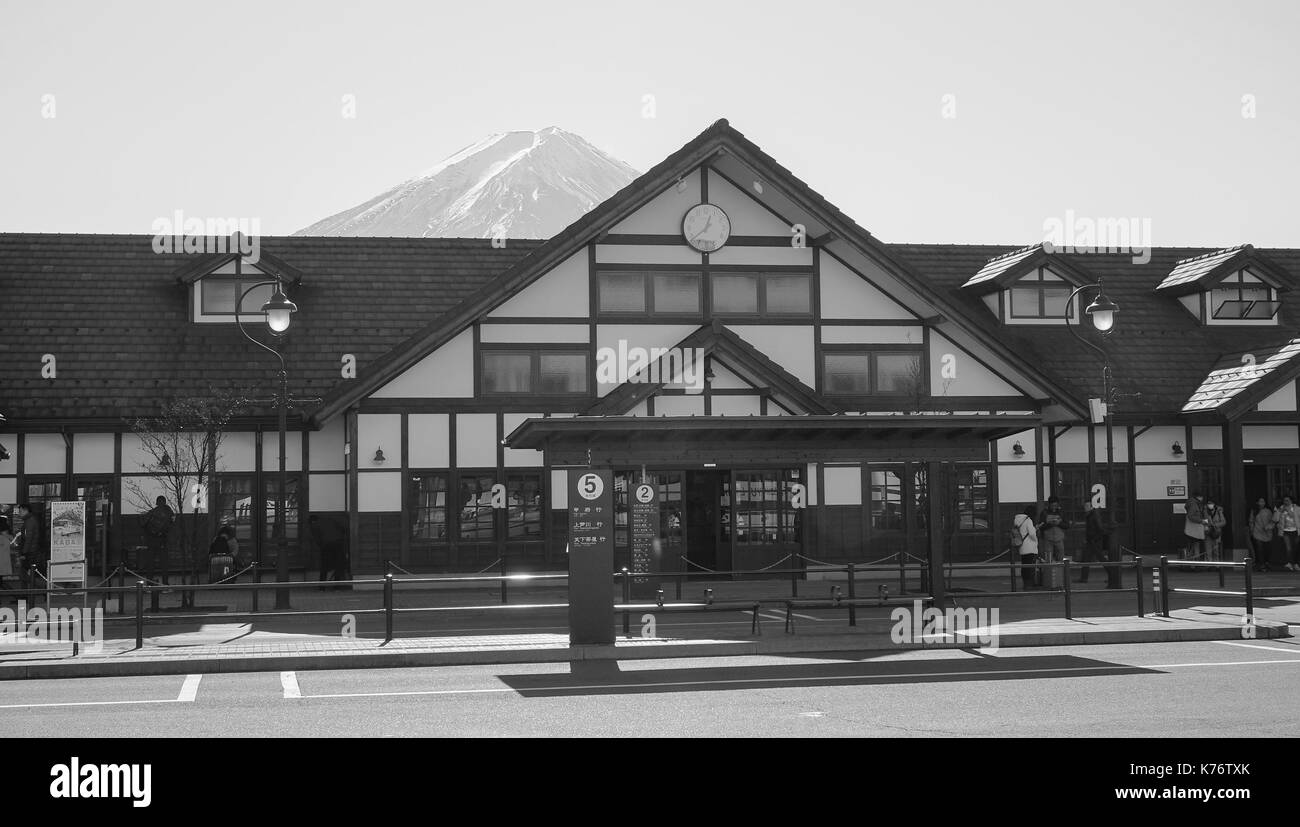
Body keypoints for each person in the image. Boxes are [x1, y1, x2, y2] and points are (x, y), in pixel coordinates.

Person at [142, 495, 175, 583]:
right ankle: (165, 584)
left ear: (156, 502)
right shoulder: (168, 512)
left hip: (151, 540)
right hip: (162, 540)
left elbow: (143, 524)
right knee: (164, 564)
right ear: (164, 502)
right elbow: (171, 525)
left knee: (150, 564)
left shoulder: (152, 512)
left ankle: (149, 584)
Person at [12, 503, 41, 589]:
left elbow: (29, 539)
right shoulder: (29, 520)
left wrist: (24, 553)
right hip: (30, 551)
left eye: (20, 511)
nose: (19, 513)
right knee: (25, 574)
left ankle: (43, 588)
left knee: (24, 575)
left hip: (29, 552)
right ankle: (24, 597)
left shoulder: (29, 521)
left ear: (26, 510)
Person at [1077, 501, 1106, 583]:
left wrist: (1094, 539)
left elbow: (1099, 529)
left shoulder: (1093, 516)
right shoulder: (1091, 515)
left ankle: (1084, 578)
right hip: (1092, 540)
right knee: (1088, 559)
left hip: (1094, 541)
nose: (1085, 507)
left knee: (1100, 559)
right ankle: (1083, 578)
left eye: (1087, 505)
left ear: (1091, 507)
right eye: (1084, 505)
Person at [1013, 504, 1040, 590]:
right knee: (1030, 566)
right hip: (1030, 547)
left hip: (1022, 546)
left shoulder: (1017, 520)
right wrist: (1035, 539)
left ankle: (1026, 584)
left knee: (1024, 566)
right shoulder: (1028, 520)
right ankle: (1030, 584)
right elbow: (1032, 534)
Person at [1250, 497, 1274, 572]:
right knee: (1259, 549)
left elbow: (1272, 521)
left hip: (1267, 532)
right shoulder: (1254, 511)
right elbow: (1251, 521)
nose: (1262, 503)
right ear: (1257, 502)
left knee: (1267, 549)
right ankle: (1262, 564)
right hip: (1257, 531)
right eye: (1260, 501)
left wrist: (1269, 527)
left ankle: (1266, 562)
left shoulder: (1268, 511)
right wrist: (1251, 530)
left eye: (1263, 501)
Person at [1275, 495, 1299, 571]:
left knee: (1296, 548)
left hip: (1296, 531)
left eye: (1287, 500)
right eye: (1284, 500)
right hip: (1285, 531)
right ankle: (1289, 563)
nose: (1286, 502)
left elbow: (1294, 517)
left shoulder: (1297, 509)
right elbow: (1275, 519)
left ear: (1291, 501)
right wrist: (1278, 511)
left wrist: (1288, 510)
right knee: (1288, 548)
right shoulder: (1281, 509)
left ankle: (1295, 564)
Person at [1184, 491, 1207, 560]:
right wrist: (1202, 521)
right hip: (1194, 530)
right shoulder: (1194, 504)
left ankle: (1193, 565)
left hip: (1191, 530)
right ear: (1198, 497)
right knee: (1195, 548)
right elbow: (1191, 516)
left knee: (1192, 547)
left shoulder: (1192, 503)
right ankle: (1194, 565)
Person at [0, 514, 14, 590]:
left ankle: (19, 598)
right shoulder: (9, 536)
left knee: (1, 583)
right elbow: (14, 545)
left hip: (1, 563)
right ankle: (19, 598)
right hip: (4, 562)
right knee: (1, 582)